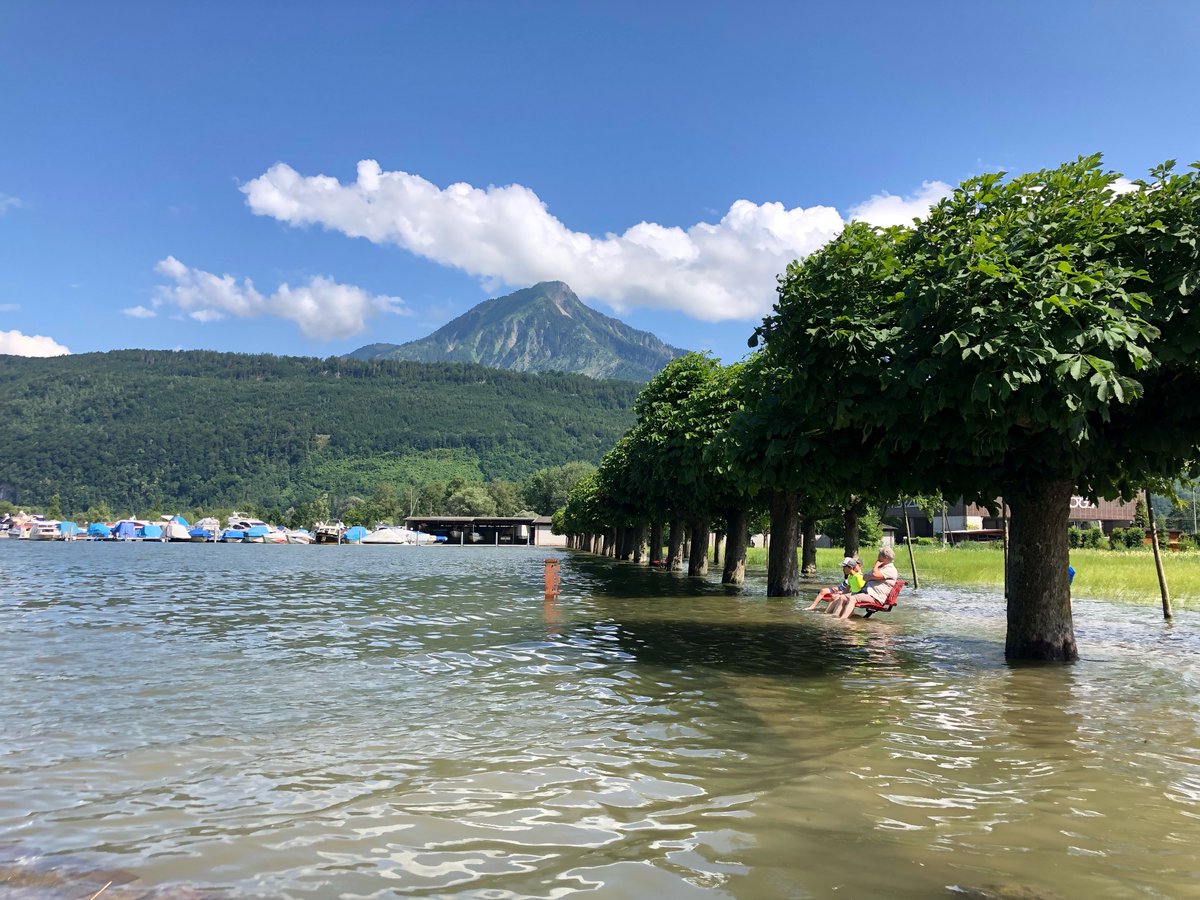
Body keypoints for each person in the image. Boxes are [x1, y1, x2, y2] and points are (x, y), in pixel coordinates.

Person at [828, 546, 899, 620]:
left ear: (885, 557)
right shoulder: (880, 568)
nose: (877, 557)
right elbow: (865, 577)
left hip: (875, 596)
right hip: (866, 593)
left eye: (879, 555)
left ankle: (843, 619)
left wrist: (876, 565)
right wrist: (872, 576)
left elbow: (874, 574)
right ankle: (835, 617)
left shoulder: (890, 569)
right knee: (842, 597)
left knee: (852, 598)